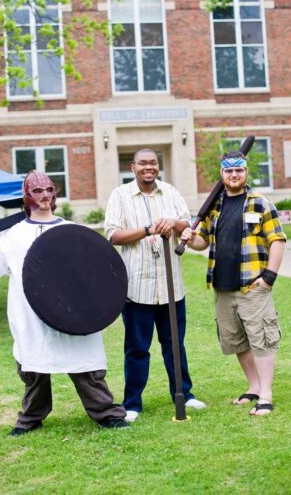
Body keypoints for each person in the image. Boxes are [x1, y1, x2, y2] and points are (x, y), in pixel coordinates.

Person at [0, 170, 128, 435]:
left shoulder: (71, 231)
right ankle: (30, 418)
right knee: (34, 366)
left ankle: (107, 413)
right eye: (38, 191)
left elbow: (90, 274)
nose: (45, 196)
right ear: (27, 196)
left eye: (49, 190)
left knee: (84, 364)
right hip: (29, 312)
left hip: (70, 309)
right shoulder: (12, 235)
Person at [181, 151, 286, 416]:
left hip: (252, 286)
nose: (234, 175)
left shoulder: (260, 203)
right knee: (237, 341)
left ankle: (266, 395)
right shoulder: (214, 206)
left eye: (238, 170)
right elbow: (201, 242)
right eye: (228, 171)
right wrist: (185, 234)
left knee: (261, 339)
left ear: (246, 173)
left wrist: (268, 277)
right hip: (223, 287)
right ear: (222, 174)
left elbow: (277, 240)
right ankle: (253, 387)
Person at [104, 148, 206, 422]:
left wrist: (175, 223)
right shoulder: (120, 196)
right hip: (137, 288)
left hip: (171, 284)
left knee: (175, 344)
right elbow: (113, 235)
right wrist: (148, 229)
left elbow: (189, 223)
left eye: (153, 163)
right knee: (137, 348)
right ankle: (133, 403)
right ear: (132, 167)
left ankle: (185, 393)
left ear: (158, 167)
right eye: (143, 163)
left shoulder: (170, 192)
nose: (148, 167)